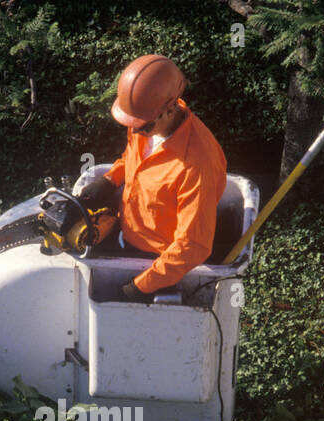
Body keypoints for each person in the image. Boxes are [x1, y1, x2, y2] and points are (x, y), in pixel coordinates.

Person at [76, 54, 227, 302]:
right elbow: (133, 158)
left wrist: (140, 286)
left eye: (141, 126)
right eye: (131, 124)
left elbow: (193, 246)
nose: (135, 131)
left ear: (169, 108)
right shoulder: (144, 118)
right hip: (126, 236)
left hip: (157, 263)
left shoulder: (196, 165)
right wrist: (110, 180)